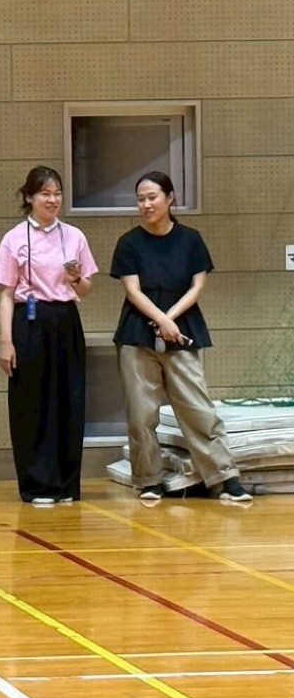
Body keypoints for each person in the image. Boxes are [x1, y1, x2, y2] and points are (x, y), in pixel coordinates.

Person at [109, 170, 250, 503]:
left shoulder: (191, 239)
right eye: (140, 199)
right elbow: (132, 290)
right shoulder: (128, 243)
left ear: (170, 198)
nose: (146, 204)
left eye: (152, 197)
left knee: (198, 408)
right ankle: (149, 480)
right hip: (137, 334)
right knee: (141, 414)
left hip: (184, 329)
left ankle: (224, 477)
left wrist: (170, 319)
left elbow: (197, 285)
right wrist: (160, 319)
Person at [0, 166, 97, 505]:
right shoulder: (13, 238)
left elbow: (86, 288)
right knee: (31, 403)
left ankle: (66, 485)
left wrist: (76, 278)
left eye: (57, 193)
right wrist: (6, 341)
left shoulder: (75, 236)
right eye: (45, 194)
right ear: (29, 197)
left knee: (69, 400)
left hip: (65, 320)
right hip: (29, 320)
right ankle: (37, 485)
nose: (52, 200)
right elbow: (6, 294)